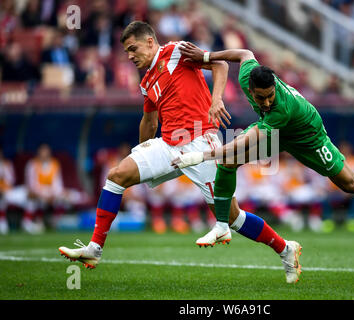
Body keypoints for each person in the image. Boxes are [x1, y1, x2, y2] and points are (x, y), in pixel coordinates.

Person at [59, 21, 302, 284]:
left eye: (133, 48)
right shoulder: (147, 81)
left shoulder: (176, 50)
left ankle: (286, 248)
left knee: (231, 218)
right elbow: (149, 121)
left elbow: (219, 65)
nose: (130, 56)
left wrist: (216, 99)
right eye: (127, 52)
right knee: (117, 175)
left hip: (200, 143)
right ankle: (95, 249)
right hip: (168, 145)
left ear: (150, 42)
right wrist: (141, 153)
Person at [172, 43, 354, 248]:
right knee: (227, 162)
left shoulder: (280, 109)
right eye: (261, 97)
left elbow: (244, 141)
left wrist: (201, 156)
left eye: (270, 96)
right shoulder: (249, 75)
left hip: (307, 135)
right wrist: (206, 57)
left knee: (349, 184)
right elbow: (244, 54)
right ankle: (223, 226)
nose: (266, 101)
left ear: (275, 88)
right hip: (276, 132)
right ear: (250, 89)